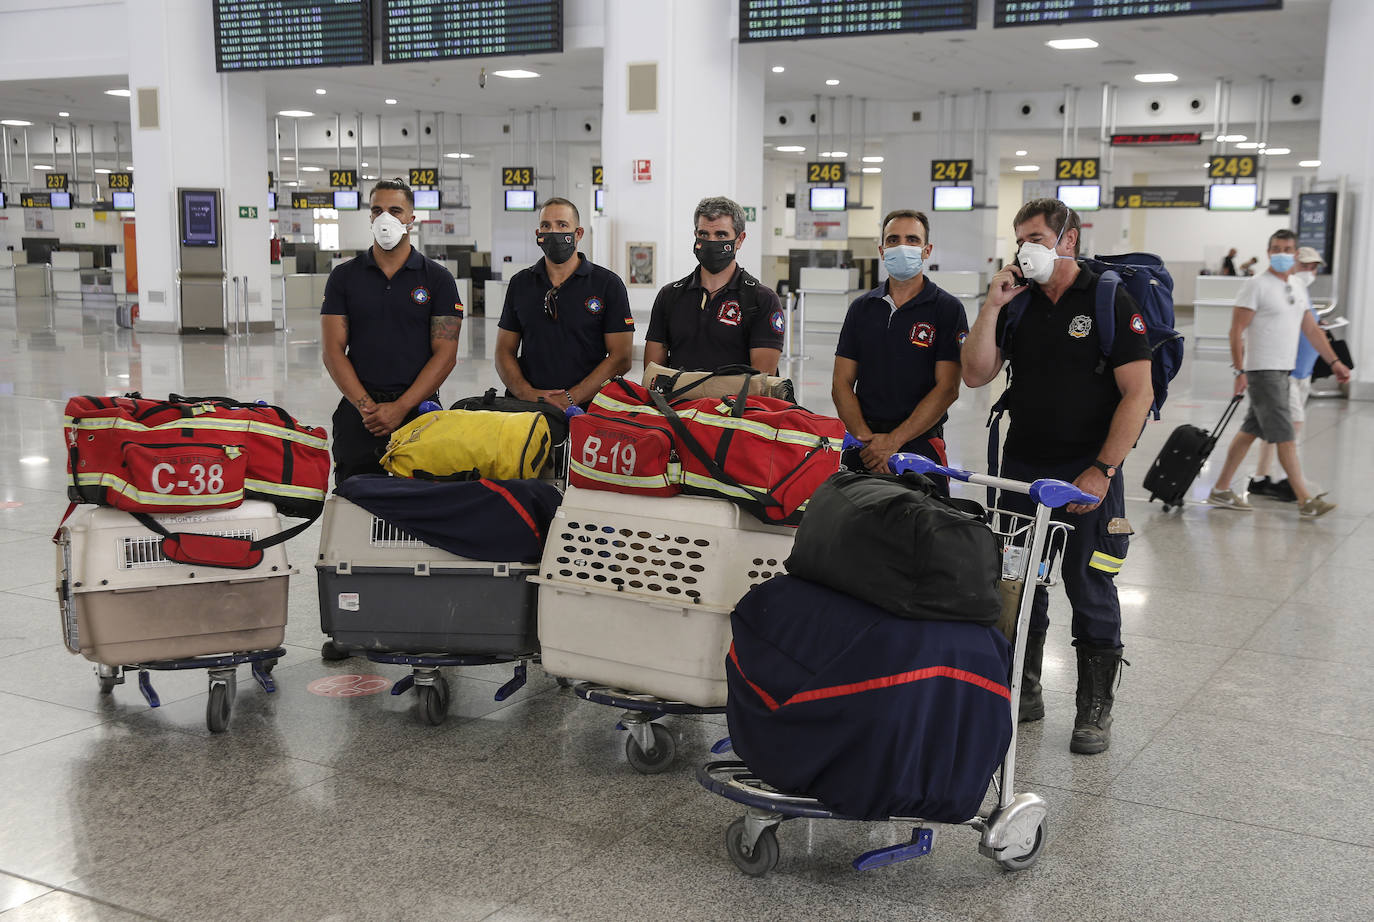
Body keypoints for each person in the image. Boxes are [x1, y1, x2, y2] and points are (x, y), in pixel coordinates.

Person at [962, 198, 1154, 756]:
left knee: (1089, 585)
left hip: (1087, 472)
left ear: (1069, 239)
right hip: (1023, 470)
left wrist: (1103, 470)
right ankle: (1024, 686)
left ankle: (1094, 708)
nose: (1026, 248)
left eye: (1037, 237)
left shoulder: (1106, 297)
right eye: (1020, 237)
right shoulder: (1017, 303)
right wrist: (991, 308)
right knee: (1020, 584)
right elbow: (976, 374)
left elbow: (1137, 393)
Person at [321, 178, 462, 485]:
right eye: (377, 210)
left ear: (411, 218)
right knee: (354, 504)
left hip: (419, 412)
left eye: (396, 210)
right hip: (360, 416)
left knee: (419, 506)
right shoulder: (344, 277)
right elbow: (333, 351)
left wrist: (401, 408)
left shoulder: (438, 279)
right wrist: (365, 407)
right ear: (370, 217)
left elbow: (446, 354)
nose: (386, 218)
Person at [1206, 232, 1351, 516]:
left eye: (1287, 249)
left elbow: (1311, 329)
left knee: (1250, 431)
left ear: (1295, 253)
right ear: (1269, 252)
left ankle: (1220, 489)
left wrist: (1334, 361)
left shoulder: (1297, 286)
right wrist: (1239, 369)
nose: (1282, 253)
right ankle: (1305, 500)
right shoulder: (1255, 285)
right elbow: (1236, 330)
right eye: (1276, 249)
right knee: (1285, 435)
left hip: (1283, 370)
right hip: (1263, 370)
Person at [831, 209, 966, 486]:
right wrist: (869, 443)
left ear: (927, 250)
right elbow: (841, 382)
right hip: (863, 445)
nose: (902, 246)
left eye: (912, 240)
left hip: (920, 446)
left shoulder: (947, 309)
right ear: (882, 250)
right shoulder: (862, 308)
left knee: (921, 526)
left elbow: (948, 389)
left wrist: (893, 442)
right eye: (893, 240)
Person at [496, 197, 634, 409]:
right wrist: (526, 393)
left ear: (578, 234)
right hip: (528, 405)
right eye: (546, 226)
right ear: (538, 235)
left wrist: (572, 397)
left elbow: (621, 358)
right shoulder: (520, 283)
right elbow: (504, 351)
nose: (553, 232)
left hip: (588, 408)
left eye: (562, 225)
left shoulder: (607, 284)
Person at [644, 196, 783, 374]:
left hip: (735, 402)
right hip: (676, 402)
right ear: (695, 235)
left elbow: (760, 382)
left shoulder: (762, 300)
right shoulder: (670, 296)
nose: (711, 242)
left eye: (721, 235)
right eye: (703, 234)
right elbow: (653, 373)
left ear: (739, 240)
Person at [1249, 246, 1326, 501]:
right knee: (1290, 427)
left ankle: (1260, 478)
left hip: (1300, 371)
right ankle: (1287, 481)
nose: (1310, 271)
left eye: (1314, 267)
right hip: (1283, 372)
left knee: (1264, 428)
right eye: (1305, 265)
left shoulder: (1300, 293)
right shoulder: (1275, 291)